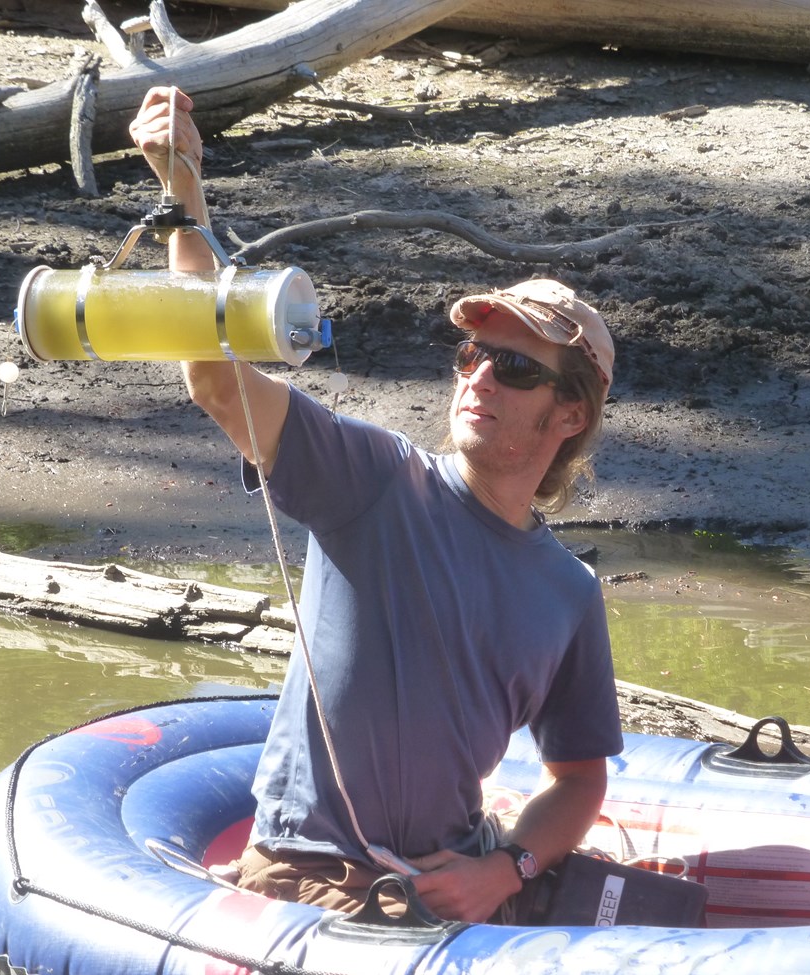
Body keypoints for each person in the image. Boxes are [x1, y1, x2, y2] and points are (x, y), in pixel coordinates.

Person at [129, 87, 624, 923]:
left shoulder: (568, 591)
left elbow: (581, 780)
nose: (478, 376)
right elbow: (216, 378)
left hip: (457, 882)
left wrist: (505, 869)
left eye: (516, 368)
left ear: (569, 415)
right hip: (311, 879)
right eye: (474, 352)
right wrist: (183, 193)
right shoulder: (374, 478)